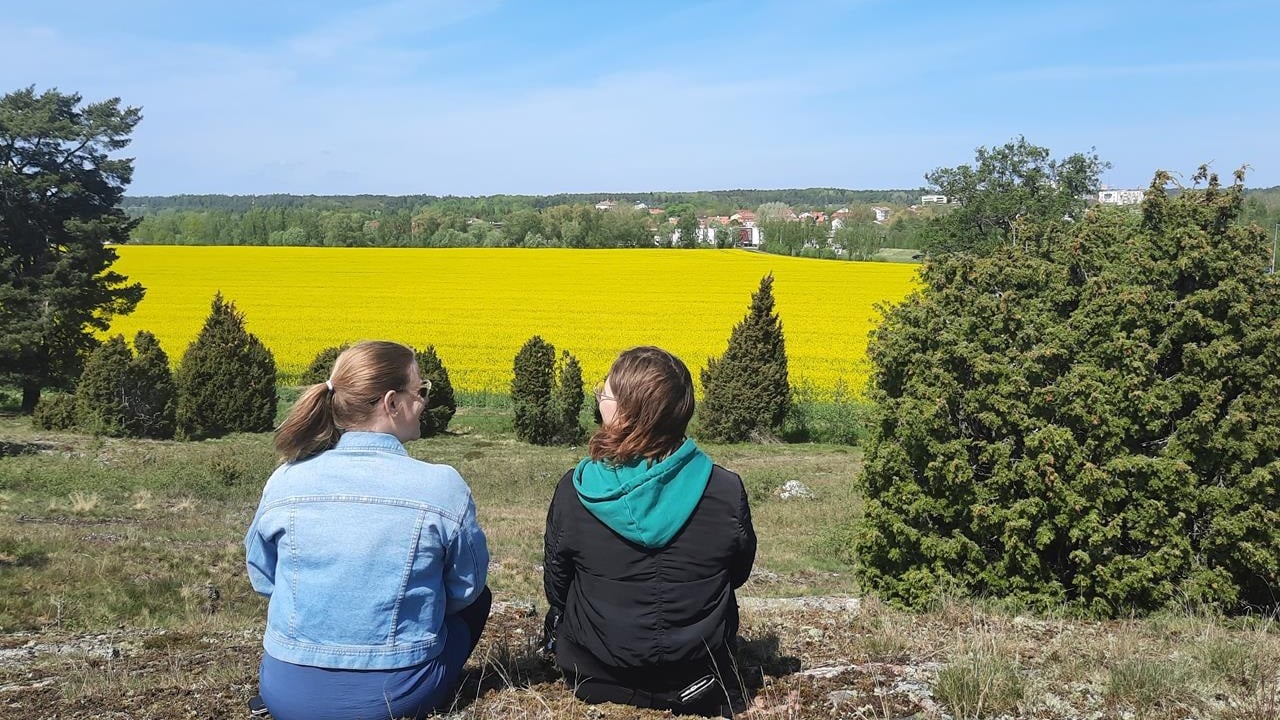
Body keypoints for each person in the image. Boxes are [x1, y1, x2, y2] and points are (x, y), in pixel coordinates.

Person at [244, 340, 490, 720]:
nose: (424, 401)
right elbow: (467, 588)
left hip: (286, 693)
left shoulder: (285, 479)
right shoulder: (442, 486)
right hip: (394, 697)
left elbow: (263, 578)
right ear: (391, 403)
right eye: (420, 390)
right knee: (480, 600)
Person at [542, 346, 757, 716]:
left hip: (594, 676)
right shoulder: (725, 489)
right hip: (699, 677)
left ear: (626, 412)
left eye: (604, 394)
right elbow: (737, 573)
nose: (599, 400)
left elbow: (557, 587)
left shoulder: (577, 490)